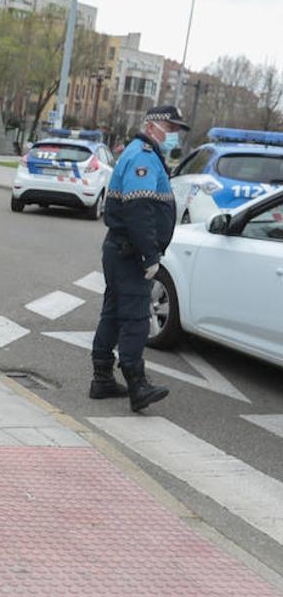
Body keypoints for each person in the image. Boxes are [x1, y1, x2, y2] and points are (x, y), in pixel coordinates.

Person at [90, 104, 186, 412]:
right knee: (134, 319)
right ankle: (137, 385)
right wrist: (149, 256)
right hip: (129, 252)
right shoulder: (143, 156)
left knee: (114, 311)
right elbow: (138, 209)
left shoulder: (143, 154)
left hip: (121, 249)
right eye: (170, 129)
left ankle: (102, 379)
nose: (173, 136)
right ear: (154, 126)